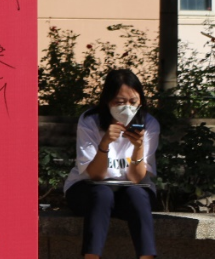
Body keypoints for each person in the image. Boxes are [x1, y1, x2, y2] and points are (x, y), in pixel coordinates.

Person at [63, 69, 159, 259]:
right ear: (107, 101)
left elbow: (136, 178)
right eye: (120, 102)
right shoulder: (90, 121)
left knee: (137, 195)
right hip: (88, 189)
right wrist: (105, 143)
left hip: (130, 191)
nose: (127, 108)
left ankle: (147, 257)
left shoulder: (148, 124)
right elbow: (96, 175)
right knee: (102, 194)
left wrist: (138, 147)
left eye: (133, 102)